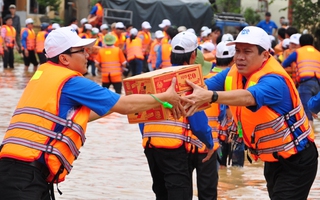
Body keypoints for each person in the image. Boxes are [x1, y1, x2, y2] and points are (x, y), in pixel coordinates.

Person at [0, 26, 187, 200]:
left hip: (13, 170)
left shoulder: (42, 75)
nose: (87, 54)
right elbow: (125, 106)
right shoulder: (72, 81)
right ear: (64, 59)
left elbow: (75, 119)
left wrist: (116, 106)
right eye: (81, 50)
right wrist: (165, 97)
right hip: (25, 178)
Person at [183, 26, 318, 200]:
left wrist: (211, 96)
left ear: (265, 55)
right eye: (237, 51)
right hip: (272, 160)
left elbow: (249, 97)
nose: (239, 57)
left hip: (298, 159)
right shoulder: (233, 73)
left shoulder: (275, 81)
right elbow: (204, 86)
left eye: (247, 52)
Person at [139, 31, 215, 200]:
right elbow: (199, 125)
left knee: (161, 195)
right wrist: (209, 144)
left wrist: (149, 137)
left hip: (151, 146)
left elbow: (140, 113)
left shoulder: (155, 77)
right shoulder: (188, 82)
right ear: (194, 55)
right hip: (174, 149)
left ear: (171, 54)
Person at [282, 34, 320, 127]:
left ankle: (310, 138)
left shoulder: (298, 52)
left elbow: (284, 64)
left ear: (300, 43)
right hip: (317, 84)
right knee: (314, 111)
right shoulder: (318, 53)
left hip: (305, 84)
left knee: (306, 113)